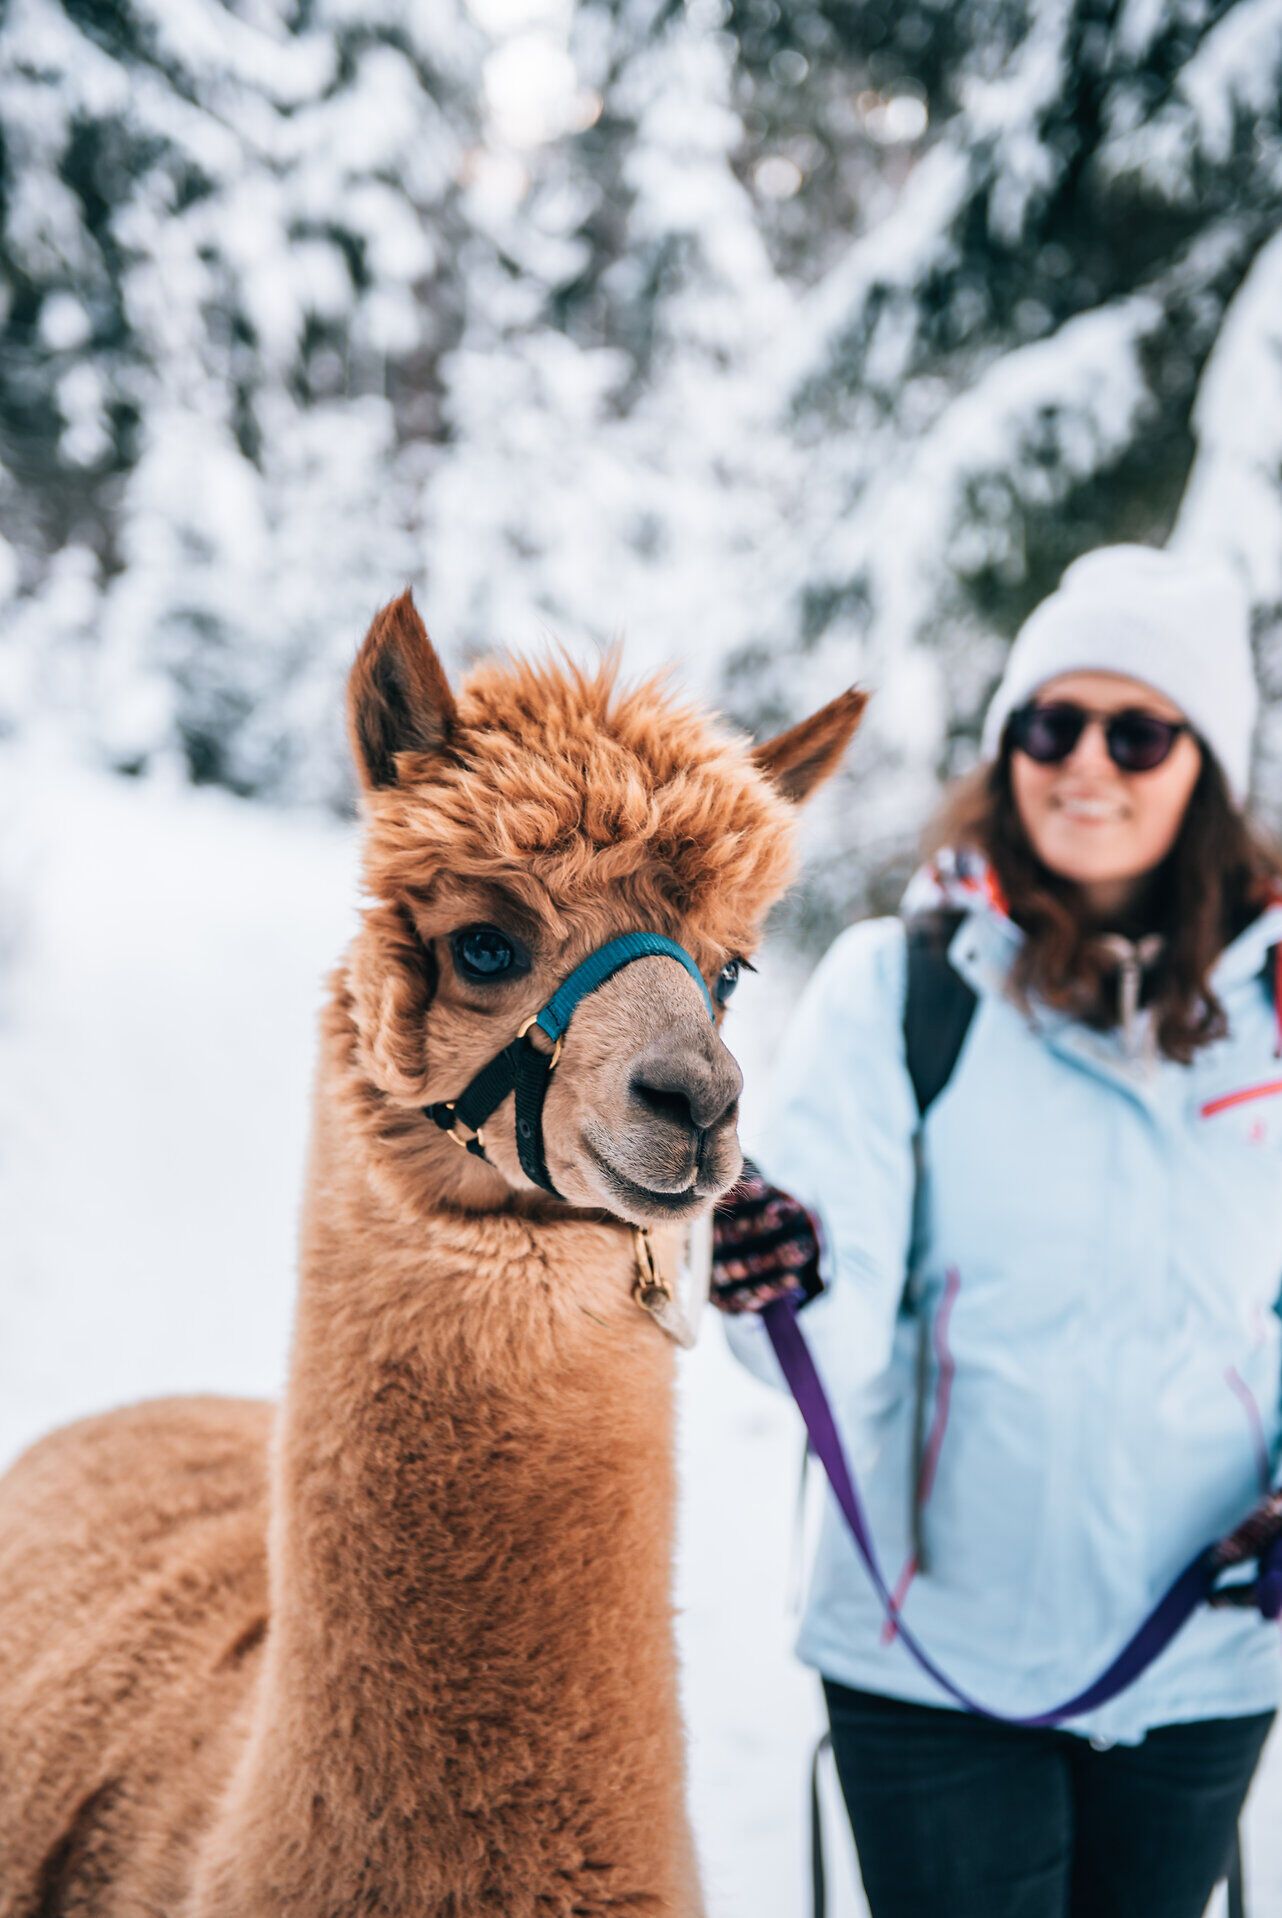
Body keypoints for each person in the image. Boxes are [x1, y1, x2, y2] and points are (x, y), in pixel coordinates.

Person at [713, 544, 1282, 1918]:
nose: (1086, 760)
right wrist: (785, 1272)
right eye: (1050, 722)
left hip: (1197, 1652)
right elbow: (823, 1318)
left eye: (1136, 729)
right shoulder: (900, 987)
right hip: (927, 1652)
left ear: (1202, 762)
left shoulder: (1270, 1015)